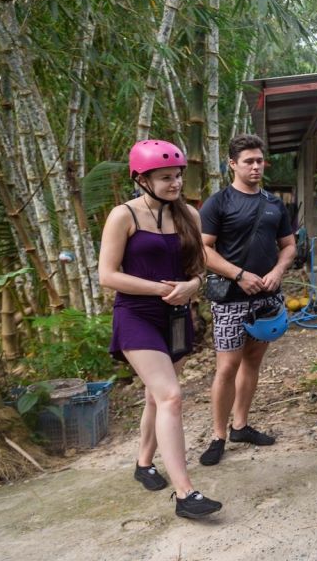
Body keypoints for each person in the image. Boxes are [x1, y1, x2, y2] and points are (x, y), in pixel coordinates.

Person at [99, 140, 222, 519]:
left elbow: (199, 266)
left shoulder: (188, 214)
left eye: (178, 175)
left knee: (157, 397)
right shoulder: (124, 216)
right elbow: (107, 275)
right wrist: (161, 288)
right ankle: (185, 494)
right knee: (171, 396)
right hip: (137, 315)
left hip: (176, 317)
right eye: (165, 177)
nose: (175, 183)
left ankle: (143, 461)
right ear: (141, 179)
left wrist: (192, 285)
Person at [198, 134, 296, 466]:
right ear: (232, 164)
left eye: (259, 161)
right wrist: (239, 274)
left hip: (267, 297)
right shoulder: (218, 203)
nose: (255, 167)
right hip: (230, 298)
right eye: (248, 162)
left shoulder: (274, 203)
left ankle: (240, 425)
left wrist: (279, 271)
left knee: (253, 362)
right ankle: (218, 435)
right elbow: (203, 250)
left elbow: (289, 245)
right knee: (227, 367)